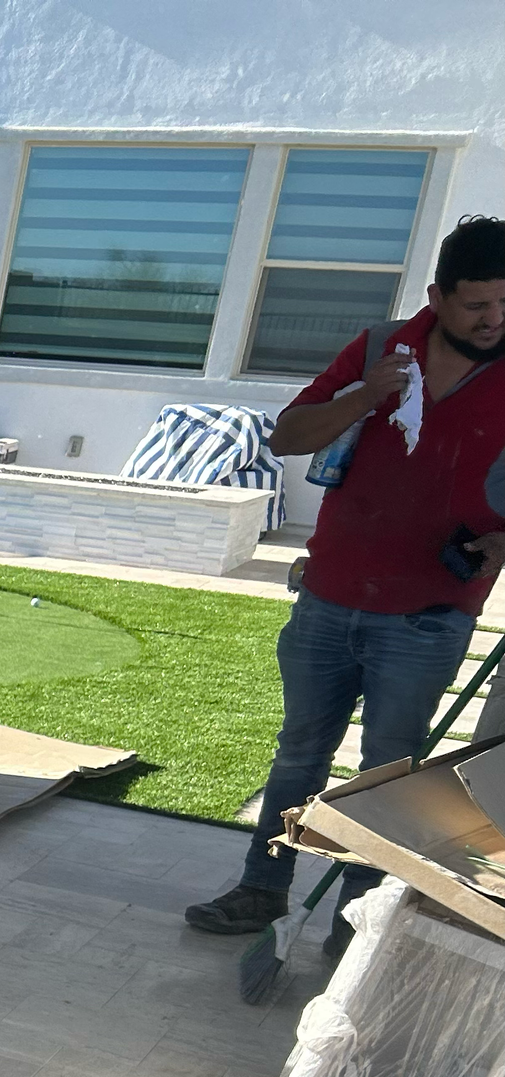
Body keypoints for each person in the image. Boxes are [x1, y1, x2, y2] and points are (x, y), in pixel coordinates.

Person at [186, 215, 505, 958]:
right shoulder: (378, 349)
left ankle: (355, 926)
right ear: (437, 297)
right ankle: (261, 888)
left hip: (429, 614)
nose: (494, 319)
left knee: (385, 776)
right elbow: (288, 436)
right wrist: (365, 395)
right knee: (299, 754)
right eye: (477, 305)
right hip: (330, 596)